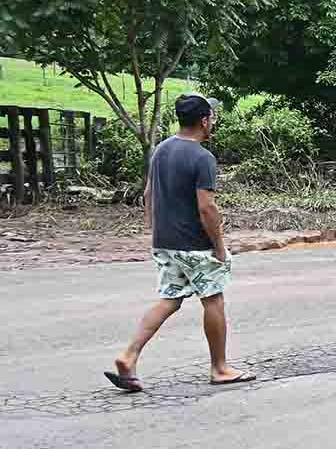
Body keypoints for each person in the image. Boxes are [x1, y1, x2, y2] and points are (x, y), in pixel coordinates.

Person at [104, 94, 255, 392]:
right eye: (212, 117)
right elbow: (207, 208)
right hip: (195, 244)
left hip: (165, 241)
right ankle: (220, 368)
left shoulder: (161, 149)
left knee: (170, 298)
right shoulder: (202, 157)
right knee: (213, 298)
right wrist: (219, 246)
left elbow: (149, 193)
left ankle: (128, 355)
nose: (214, 122)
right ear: (204, 120)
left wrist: (156, 229)